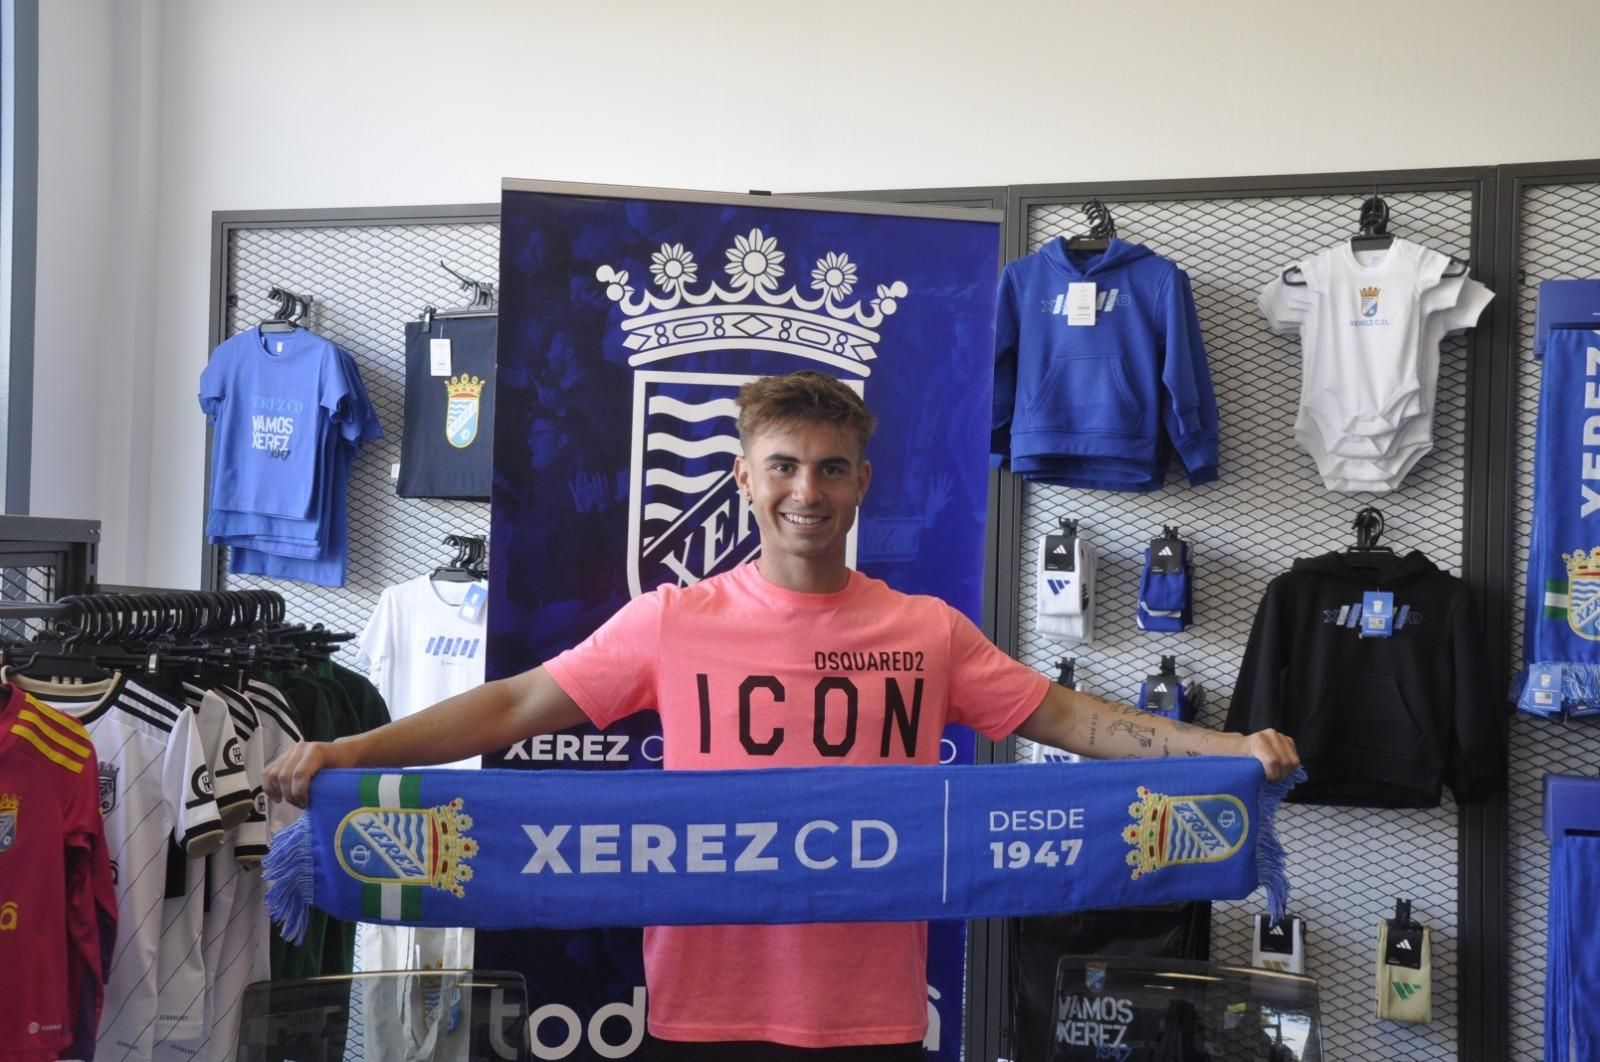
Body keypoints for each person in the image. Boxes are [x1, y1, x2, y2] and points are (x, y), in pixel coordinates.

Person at [265, 371, 1299, 1061]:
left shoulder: (925, 628)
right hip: (700, 1003)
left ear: (862, 482)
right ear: (744, 479)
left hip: (871, 1012)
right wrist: (351, 748)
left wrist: (1227, 750)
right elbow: (514, 705)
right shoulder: (674, 618)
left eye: (832, 467)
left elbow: (1069, 722)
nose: (809, 489)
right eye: (785, 465)